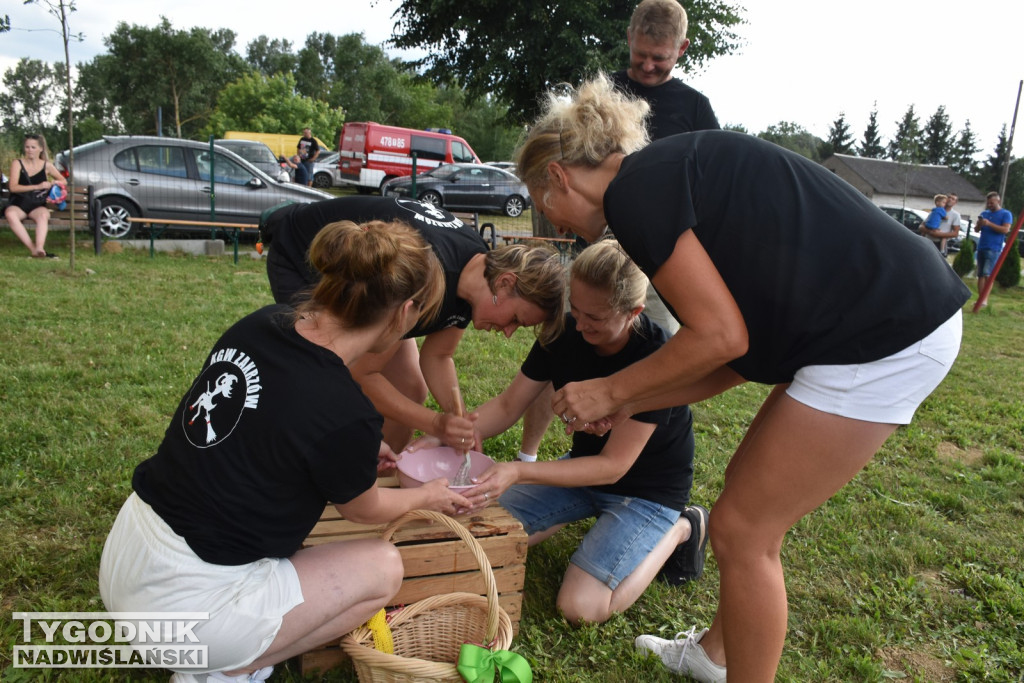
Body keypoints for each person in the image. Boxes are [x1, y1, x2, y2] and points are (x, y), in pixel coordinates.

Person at [515, 74, 968, 682]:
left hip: (889, 329)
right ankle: (712, 658)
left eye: (541, 202)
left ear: (560, 178)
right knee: (738, 505)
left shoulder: (636, 195)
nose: (557, 224)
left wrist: (613, 390)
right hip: (878, 319)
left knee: (744, 530)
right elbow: (735, 355)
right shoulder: (661, 176)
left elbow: (719, 337)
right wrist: (627, 405)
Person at [99, 219, 486, 682]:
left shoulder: (259, 324)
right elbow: (366, 508)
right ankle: (233, 667)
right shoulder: (343, 410)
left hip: (126, 559)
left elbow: (264, 423)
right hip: (189, 608)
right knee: (384, 569)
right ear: (404, 313)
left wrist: (355, 451)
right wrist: (429, 495)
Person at [416, 239, 709, 624]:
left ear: (633, 312)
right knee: (478, 530)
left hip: (646, 492)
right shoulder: (564, 332)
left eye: (596, 318)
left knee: (579, 608)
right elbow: (507, 406)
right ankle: (561, 514)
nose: (580, 324)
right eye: (576, 309)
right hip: (582, 471)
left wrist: (519, 470)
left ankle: (684, 528)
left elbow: (612, 467)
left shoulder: (656, 357)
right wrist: (444, 434)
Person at [516, 0, 722, 465]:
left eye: (661, 58)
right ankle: (530, 455)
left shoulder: (695, 108)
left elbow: (712, 346)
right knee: (561, 345)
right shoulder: (602, 102)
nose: (648, 66)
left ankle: (640, 467)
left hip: (662, 260)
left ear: (681, 50)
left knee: (659, 359)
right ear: (629, 38)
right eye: (640, 55)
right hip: (597, 257)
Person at [262, 196, 567, 453]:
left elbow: (438, 355)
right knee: (321, 376)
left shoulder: (472, 271)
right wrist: (435, 424)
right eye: (516, 319)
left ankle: (379, 479)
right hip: (303, 255)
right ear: (504, 282)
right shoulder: (426, 276)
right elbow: (362, 372)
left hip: (378, 283)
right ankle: (332, 483)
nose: (509, 332)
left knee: (409, 388)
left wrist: (456, 417)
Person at [4, 133, 65, 258]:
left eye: (33, 147)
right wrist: (38, 186)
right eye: (27, 147)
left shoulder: (46, 165)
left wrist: (54, 182)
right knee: (10, 214)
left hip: (37, 203)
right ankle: (33, 249)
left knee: (43, 215)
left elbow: (63, 180)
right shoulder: (17, 163)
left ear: (41, 149)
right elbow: (13, 187)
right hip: (18, 202)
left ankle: (40, 247)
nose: (30, 150)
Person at [974, 191, 1013, 307]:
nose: (989, 205)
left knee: (987, 274)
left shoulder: (1006, 214)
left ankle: (984, 299)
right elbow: (976, 230)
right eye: (988, 203)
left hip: (994, 248)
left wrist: (989, 224)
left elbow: (1006, 230)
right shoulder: (984, 213)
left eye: (992, 203)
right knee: (980, 274)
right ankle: (981, 299)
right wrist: (980, 224)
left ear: (998, 201)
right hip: (982, 246)